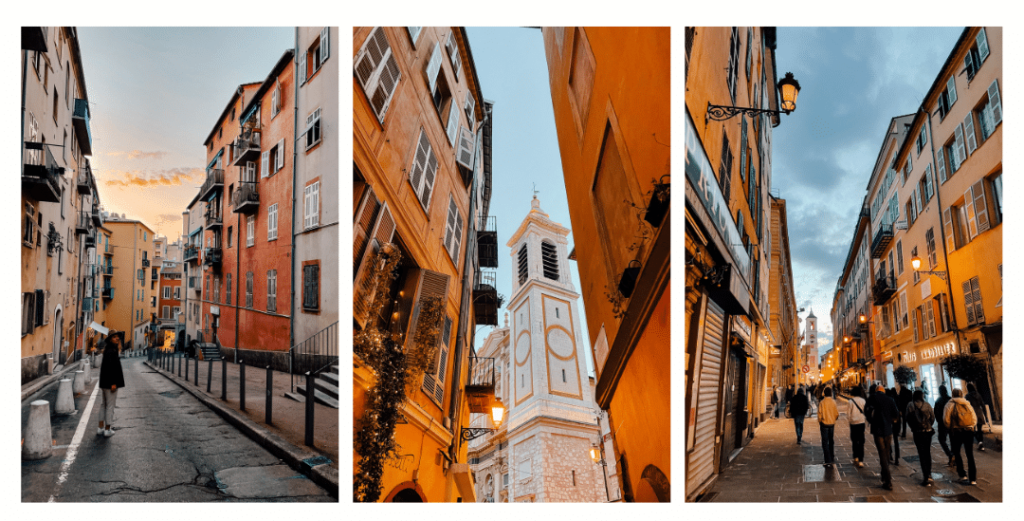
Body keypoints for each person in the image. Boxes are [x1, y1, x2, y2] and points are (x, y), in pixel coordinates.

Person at [865, 383, 900, 491]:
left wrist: (871, 421)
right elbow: (896, 414)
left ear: (876, 391)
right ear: (883, 391)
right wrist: (891, 421)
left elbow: (866, 411)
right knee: (886, 452)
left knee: (882, 454)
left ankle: (888, 481)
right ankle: (884, 474)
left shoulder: (872, 398)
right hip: (888, 431)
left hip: (878, 430)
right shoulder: (890, 399)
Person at [945, 388, 979, 485]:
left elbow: (946, 420)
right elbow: (974, 419)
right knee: (970, 454)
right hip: (969, 431)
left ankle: (962, 475)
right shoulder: (967, 404)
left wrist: (951, 427)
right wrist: (971, 426)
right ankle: (973, 479)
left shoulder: (950, 404)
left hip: (956, 432)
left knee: (957, 453)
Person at [97, 330, 126, 438]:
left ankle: (100, 428)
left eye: (118, 337)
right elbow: (111, 368)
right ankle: (107, 429)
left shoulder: (107, 350)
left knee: (103, 405)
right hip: (110, 383)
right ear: (110, 339)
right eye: (114, 337)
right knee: (110, 406)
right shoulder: (112, 350)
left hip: (104, 383)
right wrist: (113, 383)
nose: (117, 338)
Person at [906, 389, 936, 486]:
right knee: (927, 453)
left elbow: (907, 418)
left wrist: (913, 427)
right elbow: (932, 417)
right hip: (927, 432)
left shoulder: (910, 405)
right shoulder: (927, 405)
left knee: (921, 454)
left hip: (917, 433)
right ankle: (930, 474)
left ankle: (926, 477)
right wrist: (928, 425)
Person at [847, 386, 867, 468]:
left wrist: (850, 421)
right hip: (861, 422)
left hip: (853, 423)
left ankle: (855, 457)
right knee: (861, 441)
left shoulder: (850, 401)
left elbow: (848, 414)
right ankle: (861, 461)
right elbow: (865, 411)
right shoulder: (863, 401)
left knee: (854, 441)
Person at [818, 387, 839, 465]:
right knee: (831, 441)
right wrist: (833, 419)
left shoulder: (822, 402)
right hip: (832, 424)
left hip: (824, 424)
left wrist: (820, 421)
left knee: (824, 442)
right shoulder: (833, 402)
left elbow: (819, 414)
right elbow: (837, 413)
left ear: (824, 393)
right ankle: (832, 457)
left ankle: (827, 460)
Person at [934, 385, 954, 467]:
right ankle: (953, 458)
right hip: (952, 423)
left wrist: (939, 421)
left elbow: (936, 413)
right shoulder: (951, 400)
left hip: (943, 424)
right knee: (953, 441)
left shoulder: (939, 401)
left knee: (941, 439)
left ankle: (950, 455)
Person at [965, 383, 987, 451]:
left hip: (972, 414)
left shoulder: (967, 396)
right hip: (979, 413)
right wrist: (985, 413)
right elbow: (982, 404)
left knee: (973, 430)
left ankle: (979, 442)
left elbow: (966, 406)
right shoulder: (978, 394)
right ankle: (981, 443)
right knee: (980, 430)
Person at [885, 388, 902, 465]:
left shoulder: (887, 401)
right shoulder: (897, 398)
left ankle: (890, 454)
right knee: (896, 440)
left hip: (889, 422)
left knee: (888, 440)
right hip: (897, 422)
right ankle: (897, 458)